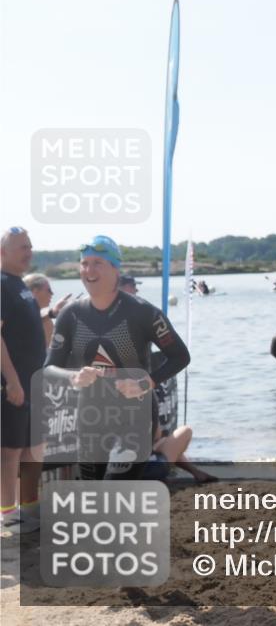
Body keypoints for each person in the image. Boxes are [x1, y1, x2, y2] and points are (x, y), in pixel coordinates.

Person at [43, 235, 190, 480]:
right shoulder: (71, 314)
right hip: (90, 415)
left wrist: (145, 383)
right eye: (84, 263)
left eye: (97, 263)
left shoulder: (143, 312)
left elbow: (180, 357)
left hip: (135, 414)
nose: (89, 270)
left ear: (115, 269)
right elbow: (49, 368)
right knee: (93, 492)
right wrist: (74, 377)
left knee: (115, 488)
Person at [1, 228, 47, 534]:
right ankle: (7, 513)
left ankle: (28, 507)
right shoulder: (2, 284)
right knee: (10, 450)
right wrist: (12, 380)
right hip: (13, 385)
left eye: (30, 247)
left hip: (33, 383)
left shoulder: (20, 285)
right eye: (22, 247)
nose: (28, 252)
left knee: (32, 448)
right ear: (2, 252)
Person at [143, 423, 217, 484]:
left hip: (136, 472)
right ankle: (159, 478)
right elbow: (157, 435)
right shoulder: (148, 410)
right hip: (148, 471)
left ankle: (197, 473)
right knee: (186, 431)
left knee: (164, 442)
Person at [24, 273, 71, 346]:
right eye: (49, 290)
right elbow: (28, 321)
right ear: (35, 291)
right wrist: (53, 312)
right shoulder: (21, 313)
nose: (52, 294)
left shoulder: (45, 319)